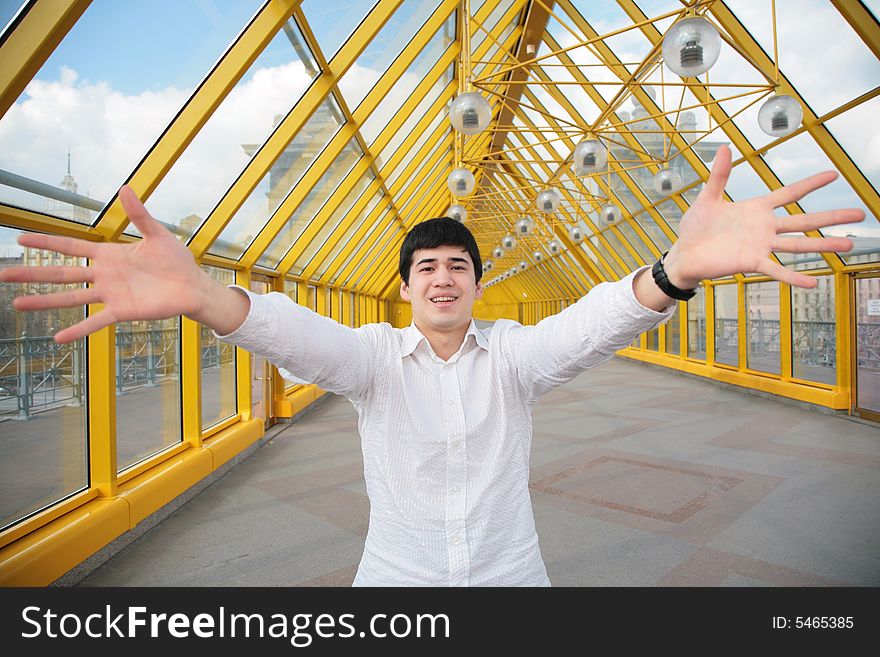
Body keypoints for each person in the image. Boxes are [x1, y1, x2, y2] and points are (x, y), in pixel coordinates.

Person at [1, 145, 863, 585]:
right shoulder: (373, 361)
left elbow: (591, 323)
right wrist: (204, 296)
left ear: (478, 285)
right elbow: (293, 332)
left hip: (512, 576)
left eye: (459, 265)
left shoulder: (516, 358)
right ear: (407, 288)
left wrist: (673, 273)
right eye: (427, 267)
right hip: (395, 579)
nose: (443, 277)